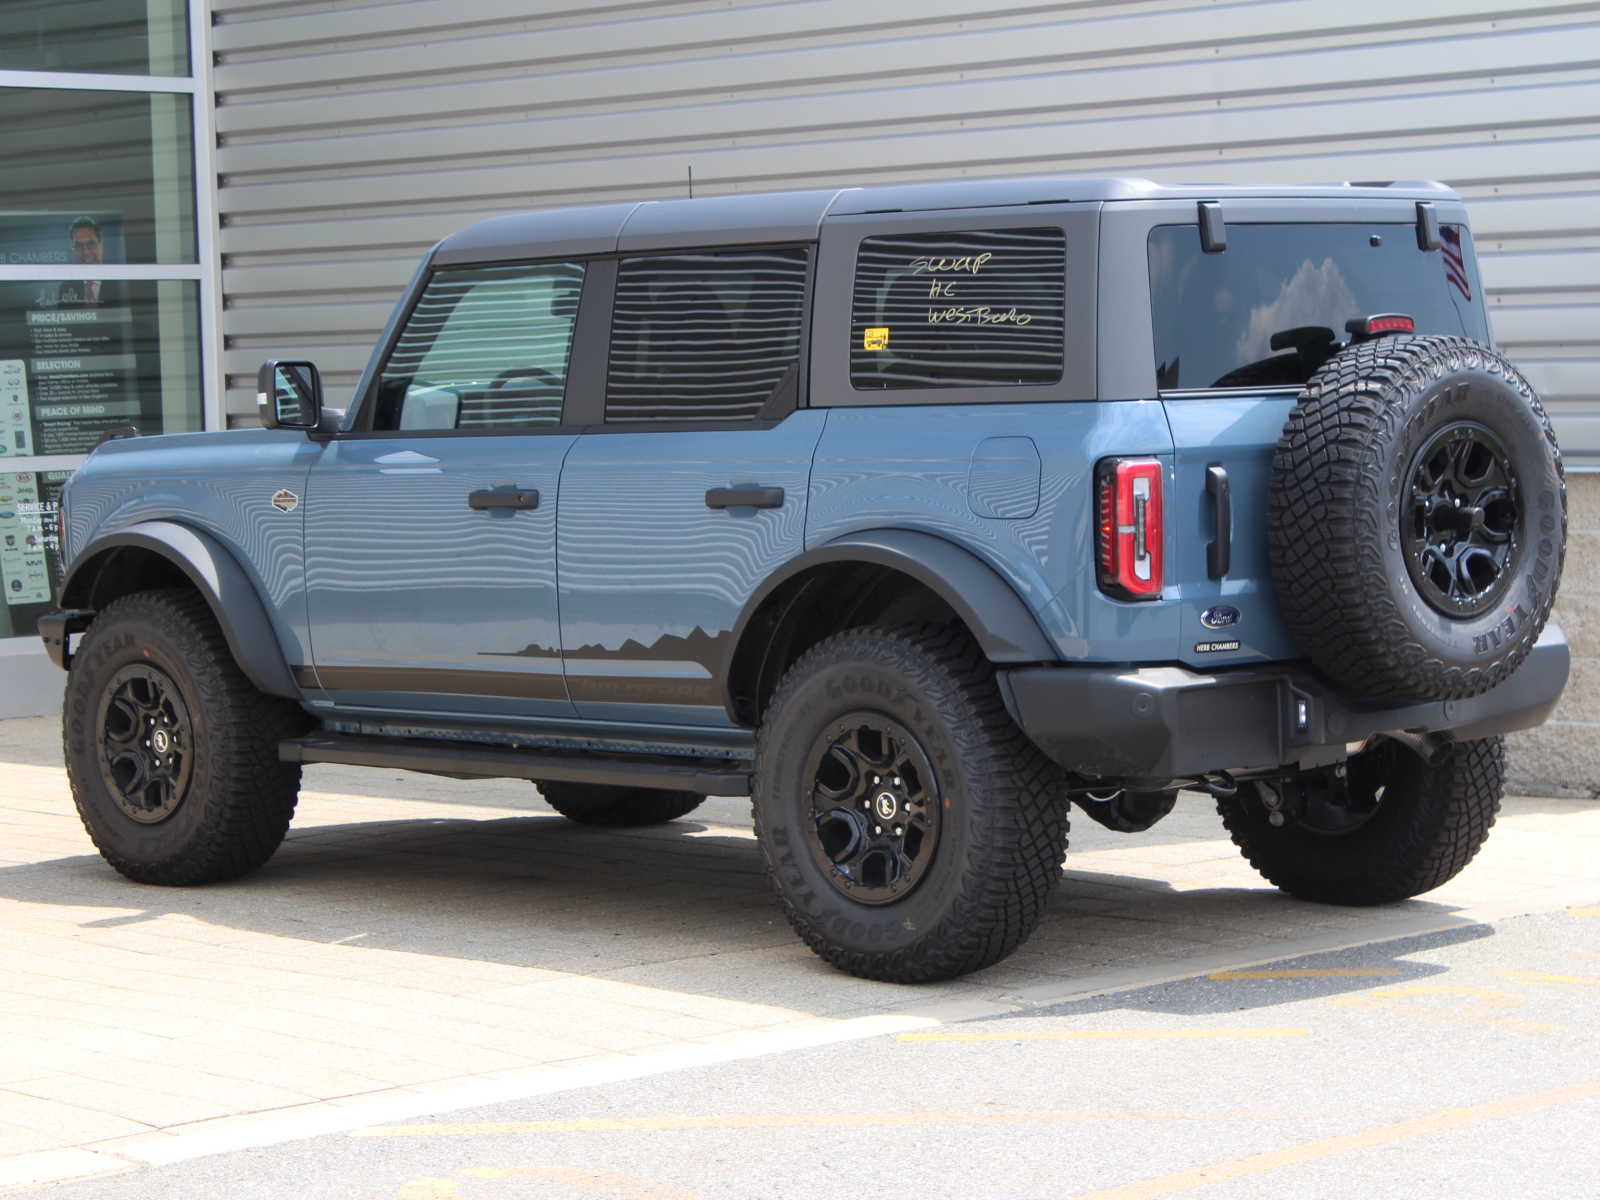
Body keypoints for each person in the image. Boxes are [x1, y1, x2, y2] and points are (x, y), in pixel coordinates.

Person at [56, 217, 119, 307]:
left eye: (91, 244)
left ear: (101, 244)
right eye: (78, 246)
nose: (85, 252)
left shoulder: (120, 284)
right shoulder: (66, 287)